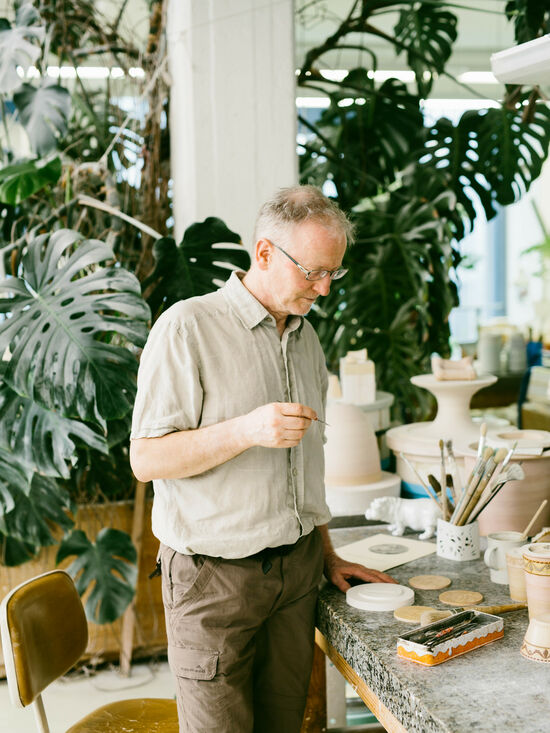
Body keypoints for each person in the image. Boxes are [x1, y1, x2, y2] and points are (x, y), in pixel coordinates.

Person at [130, 185, 396, 733]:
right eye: (312, 271)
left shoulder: (308, 341)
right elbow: (145, 458)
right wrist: (247, 430)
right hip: (212, 581)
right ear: (265, 252)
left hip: (297, 573)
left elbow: (306, 470)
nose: (324, 289)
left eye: (333, 274)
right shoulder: (186, 328)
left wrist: (325, 554)